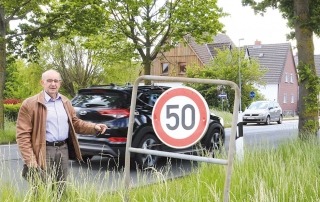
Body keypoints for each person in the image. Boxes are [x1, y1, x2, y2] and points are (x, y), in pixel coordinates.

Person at [16, 69, 108, 196]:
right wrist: (30, 160)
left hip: (63, 150)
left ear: (60, 83)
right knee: (41, 190)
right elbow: (23, 135)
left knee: (61, 188)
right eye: (49, 81)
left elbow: (75, 123)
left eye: (56, 81)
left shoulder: (65, 101)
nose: (53, 84)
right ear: (42, 82)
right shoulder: (30, 104)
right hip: (44, 150)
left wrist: (94, 127)